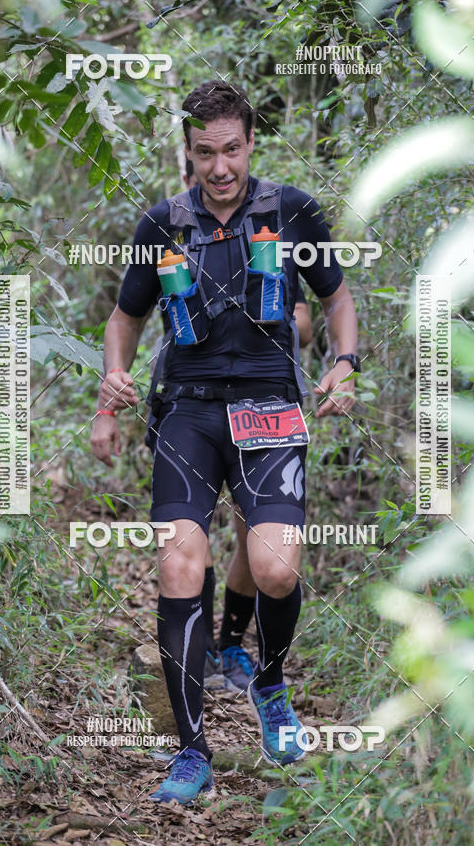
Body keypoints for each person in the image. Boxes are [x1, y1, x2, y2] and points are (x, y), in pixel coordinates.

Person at [91, 81, 359, 805]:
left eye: (231, 150)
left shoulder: (293, 210)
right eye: (204, 152)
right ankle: (191, 751)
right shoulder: (162, 224)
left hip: (270, 406)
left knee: (275, 567)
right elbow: (125, 318)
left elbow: (336, 296)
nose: (219, 167)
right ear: (188, 151)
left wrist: (343, 363)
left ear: (251, 144)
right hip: (188, 409)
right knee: (179, 561)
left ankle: (267, 683)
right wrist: (111, 390)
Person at [182, 157, 315, 694]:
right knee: (188, 533)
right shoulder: (176, 236)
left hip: (264, 406)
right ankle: (199, 649)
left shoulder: (271, 234)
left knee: (254, 537)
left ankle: (231, 644)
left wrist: (271, 309)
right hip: (194, 404)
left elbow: (305, 320)